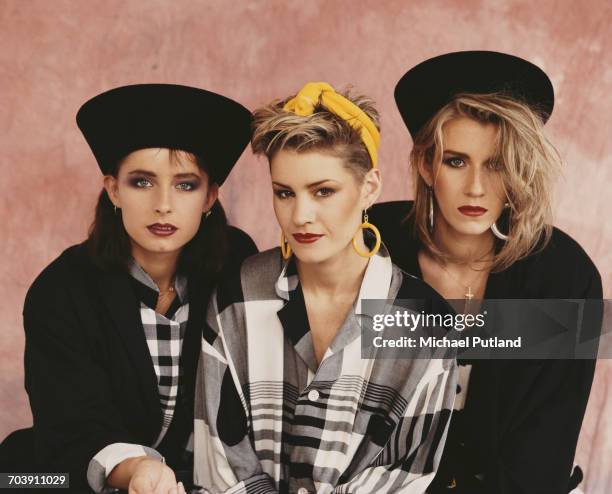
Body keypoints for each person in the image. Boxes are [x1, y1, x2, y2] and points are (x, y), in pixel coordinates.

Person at [192, 82, 458, 493]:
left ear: (369, 187)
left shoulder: (427, 324)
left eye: (323, 192)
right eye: (284, 193)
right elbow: (218, 458)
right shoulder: (236, 298)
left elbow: (406, 473)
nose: (301, 215)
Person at [369, 51, 603, 493]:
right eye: (456, 161)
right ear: (425, 164)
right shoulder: (371, 245)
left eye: (495, 164)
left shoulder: (563, 276)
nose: (476, 187)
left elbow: (545, 447)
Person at [7, 84, 257, 493]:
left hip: (192, 481)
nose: (163, 203)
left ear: (210, 196)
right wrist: (136, 470)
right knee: (17, 484)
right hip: (67, 474)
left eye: (185, 185)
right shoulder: (61, 289)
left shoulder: (238, 266)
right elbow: (72, 424)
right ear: (113, 190)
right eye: (142, 182)